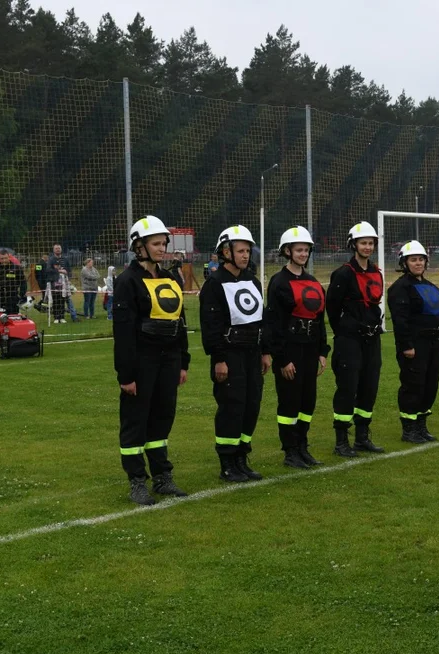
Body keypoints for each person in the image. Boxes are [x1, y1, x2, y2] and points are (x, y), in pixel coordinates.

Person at [113, 215, 191, 505]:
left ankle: (162, 477)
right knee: (136, 421)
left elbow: (179, 321)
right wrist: (126, 374)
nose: (162, 248)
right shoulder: (127, 281)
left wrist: (183, 361)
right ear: (139, 246)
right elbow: (123, 332)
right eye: (156, 244)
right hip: (142, 359)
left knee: (162, 419)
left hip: (169, 359)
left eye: (163, 243)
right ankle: (137, 481)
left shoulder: (170, 278)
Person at [200, 225, 268, 482]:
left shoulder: (252, 281)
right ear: (225, 252)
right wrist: (219, 358)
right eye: (240, 250)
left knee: (252, 405)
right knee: (232, 406)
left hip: (252, 352)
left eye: (247, 250)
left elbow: (262, 319)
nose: (245, 255)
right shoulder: (214, 284)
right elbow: (211, 326)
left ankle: (242, 457)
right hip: (229, 354)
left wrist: (265, 352)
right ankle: (227, 462)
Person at [263, 226, 330, 469]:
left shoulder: (313, 282)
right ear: (287, 251)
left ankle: (302, 446)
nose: (303, 254)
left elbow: (319, 319)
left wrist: (323, 352)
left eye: (306, 250)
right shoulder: (279, 282)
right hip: (290, 350)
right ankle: (290, 450)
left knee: (307, 401)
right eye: (298, 250)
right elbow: (274, 324)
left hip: (310, 349)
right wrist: (282, 359)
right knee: (289, 402)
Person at [326, 221, 386, 458]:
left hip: (372, 340)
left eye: (371, 243)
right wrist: (343, 332)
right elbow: (332, 307)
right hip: (350, 340)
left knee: (369, 387)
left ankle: (362, 437)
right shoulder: (343, 273)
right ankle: (341, 440)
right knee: (347, 388)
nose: (368, 247)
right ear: (354, 245)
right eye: (363, 243)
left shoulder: (376, 272)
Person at [387, 240, 439, 444]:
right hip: (414, 345)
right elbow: (400, 321)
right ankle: (409, 429)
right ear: (404, 263)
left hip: (432, 343)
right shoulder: (400, 288)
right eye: (413, 260)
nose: (418, 263)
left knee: (430, 385)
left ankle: (421, 425)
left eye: (421, 259)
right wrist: (406, 346)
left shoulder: (429, 286)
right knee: (413, 385)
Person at [47, 245, 72, 323]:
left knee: (62, 299)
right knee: (56, 300)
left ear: (61, 250)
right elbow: (48, 270)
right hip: (54, 282)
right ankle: (56, 317)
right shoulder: (51, 260)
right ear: (54, 250)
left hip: (64, 283)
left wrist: (68, 276)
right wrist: (59, 271)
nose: (58, 250)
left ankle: (62, 317)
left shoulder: (65, 259)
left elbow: (69, 270)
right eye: (56, 249)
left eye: (59, 248)